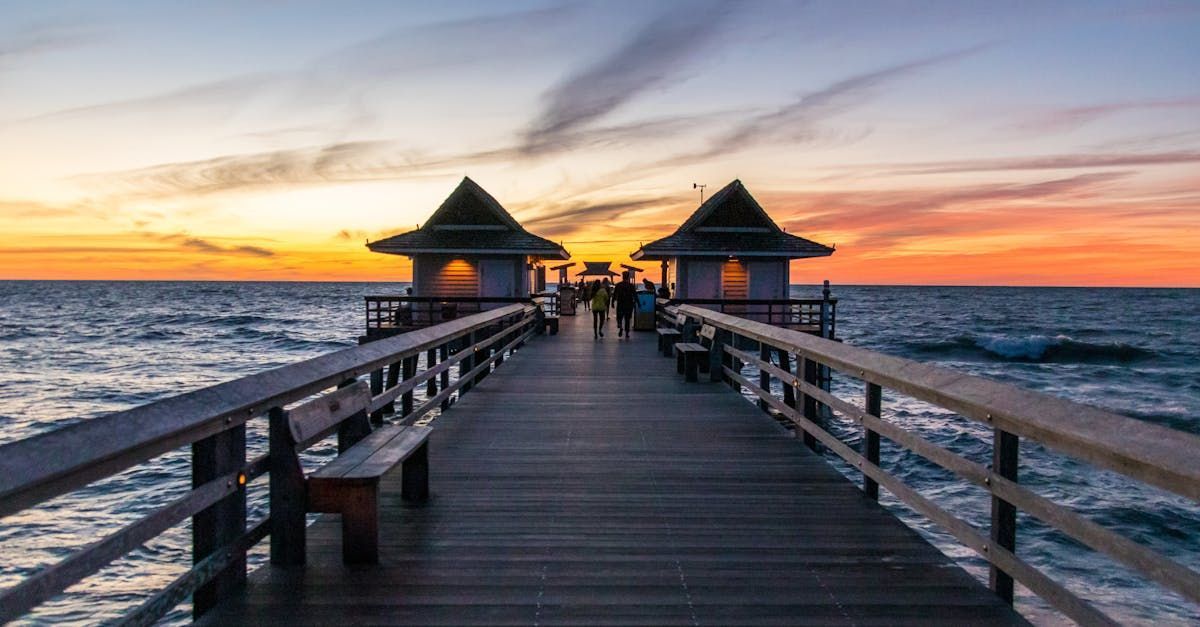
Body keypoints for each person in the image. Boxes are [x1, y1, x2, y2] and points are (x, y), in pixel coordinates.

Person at [614, 271, 637, 338]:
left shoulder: (618, 285)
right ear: (628, 277)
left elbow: (615, 294)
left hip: (620, 304)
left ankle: (620, 326)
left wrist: (612, 302)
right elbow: (635, 295)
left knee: (619, 317)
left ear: (622, 276)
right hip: (629, 304)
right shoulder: (631, 286)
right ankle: (627, 333)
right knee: (627, 319)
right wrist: (638, 303)